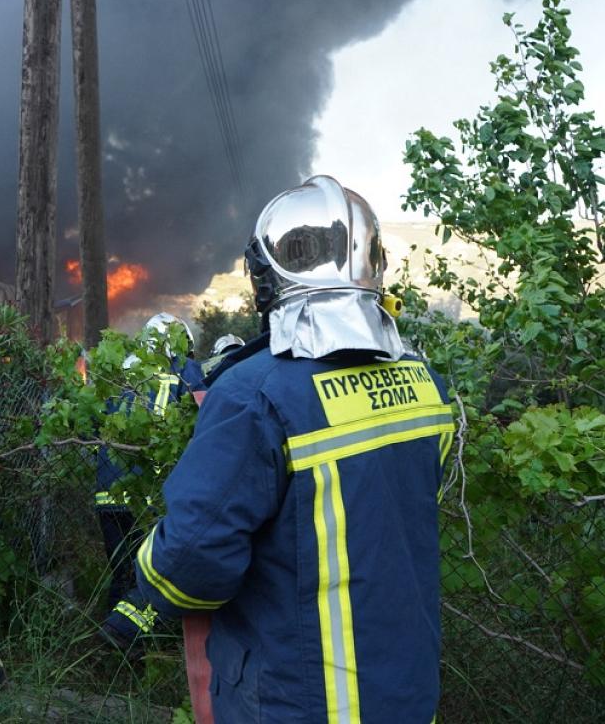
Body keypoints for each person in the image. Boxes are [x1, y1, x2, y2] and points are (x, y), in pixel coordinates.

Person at [135, 175, 453, 723]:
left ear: (265, 279)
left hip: (301, 703)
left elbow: (186, 567)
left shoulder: (253, 396)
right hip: (407, 695)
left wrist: (150, 554)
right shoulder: (426, 384)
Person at [94, 312, 203, 653]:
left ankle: (111, 648)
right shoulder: (182, 369)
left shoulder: (119, 371)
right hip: (150, 494)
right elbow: (204, 417)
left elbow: (93, 426)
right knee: (152, 574)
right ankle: (135, 645)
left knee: (122, 571)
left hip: (107, 495)